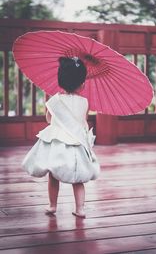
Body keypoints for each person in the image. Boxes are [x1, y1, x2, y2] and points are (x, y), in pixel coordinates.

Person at [22, 56, 100, 218]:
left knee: (53, 174)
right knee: (78, 179)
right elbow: (83, 122)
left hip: (58, 145)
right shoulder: (84, 102)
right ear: (82, 83)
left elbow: (49, 120)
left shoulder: (55, 100)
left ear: (60, 80)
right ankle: (80, 209)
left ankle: (52, 205)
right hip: (76, 144)